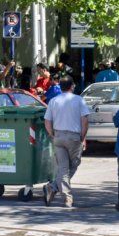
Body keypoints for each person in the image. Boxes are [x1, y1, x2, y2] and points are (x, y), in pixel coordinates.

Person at [43, 76, 90, 208]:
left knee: (64, 168)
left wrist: (52, 133)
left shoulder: (53, 101)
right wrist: (83, 137)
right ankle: (67, 197)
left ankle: (53, 187)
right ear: (72, 86)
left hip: (58, 136)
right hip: (74, 137)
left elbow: (47, 121)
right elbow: (85, 121)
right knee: (72, 166)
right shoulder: (79, 100)